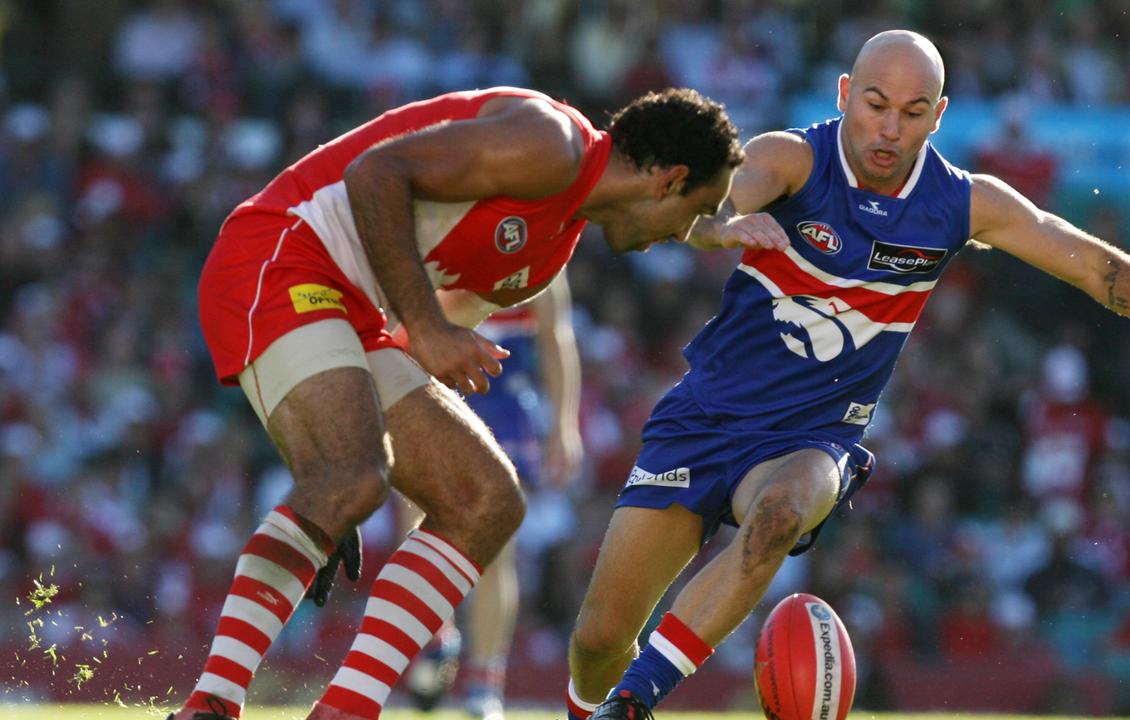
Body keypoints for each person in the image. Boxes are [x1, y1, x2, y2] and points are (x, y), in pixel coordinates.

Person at [566, 30, 1130, 720]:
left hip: (812, 438)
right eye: (874, 104)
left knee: (780, 515)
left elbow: (1085, 260)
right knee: (599, 640)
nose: (888, 129)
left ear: (938, 115)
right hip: (706, 417)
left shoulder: (960, 202)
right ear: (845, 95)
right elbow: (705, 203)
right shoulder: (791, 158)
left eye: (911, 113)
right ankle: (592, 702)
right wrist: (722, 228)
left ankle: (636, 702)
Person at [167, 85, 759, 720]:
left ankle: (344, 711)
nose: (684, 235)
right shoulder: (550, 142)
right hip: (279, 256)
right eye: (698, 210)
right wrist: (344, 460)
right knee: (351, 476)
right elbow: (377, 174)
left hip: (350, 314)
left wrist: (336, 459)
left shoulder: (545, 256)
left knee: (485, 500)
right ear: (669, 181)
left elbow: (395, 350)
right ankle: (209, 706)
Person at [403, 272, 583, 720]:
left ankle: (484, 681)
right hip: (432, 387)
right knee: (417, 531)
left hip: (503, 402)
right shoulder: (441, 236)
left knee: (497, 548)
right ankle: (435, 636)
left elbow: (555, 338)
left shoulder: (544, 251)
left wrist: (563, 423)